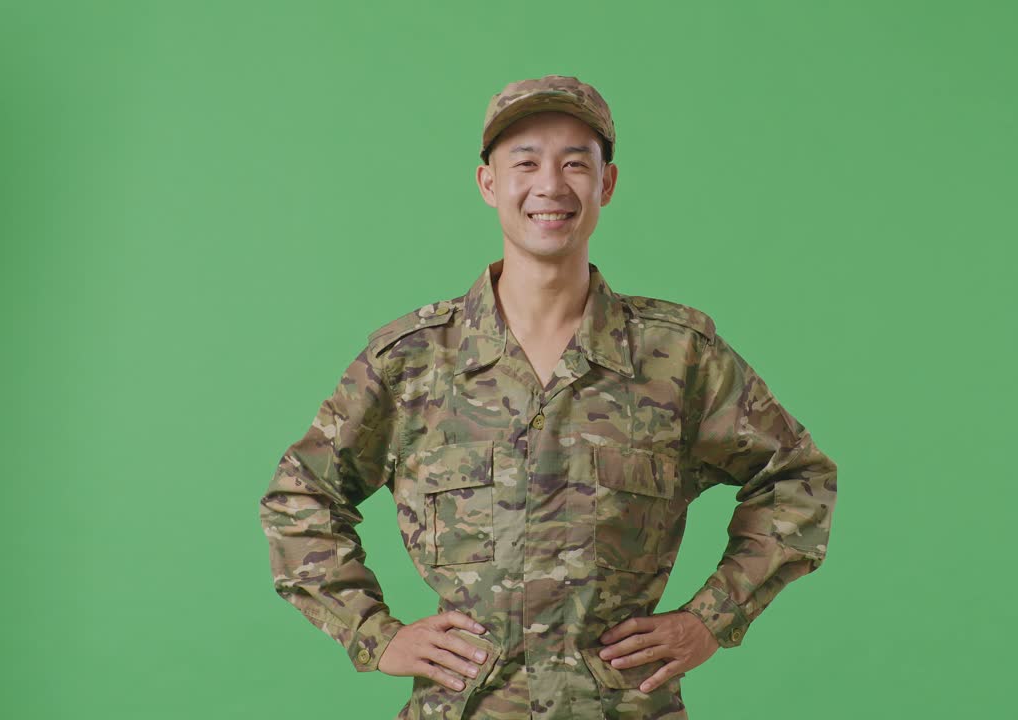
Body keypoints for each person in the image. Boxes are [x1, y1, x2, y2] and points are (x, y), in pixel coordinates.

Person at [258, 74, 839, 720]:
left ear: (606, 184)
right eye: (525, 162)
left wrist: (709, 620)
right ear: (487, 183)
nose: (550, 187)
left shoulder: (676, 357)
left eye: (574, 164)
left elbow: (798, 479)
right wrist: (375, 635)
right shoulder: (413, 362)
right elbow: (299, 496)